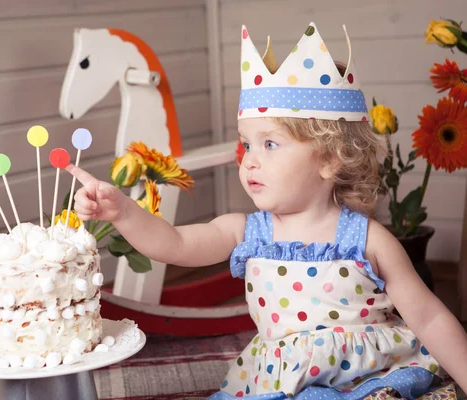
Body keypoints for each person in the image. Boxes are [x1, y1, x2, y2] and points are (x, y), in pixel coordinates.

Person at [66, 22, 467, 399]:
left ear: (330, 158)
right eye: (246, 145)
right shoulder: (247, 232)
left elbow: (429, 318)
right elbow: (174, 243)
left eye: (270, 145)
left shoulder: (366, 239)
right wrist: (123, 213)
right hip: (282, 385)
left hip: (364, 381)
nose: (249, 161)